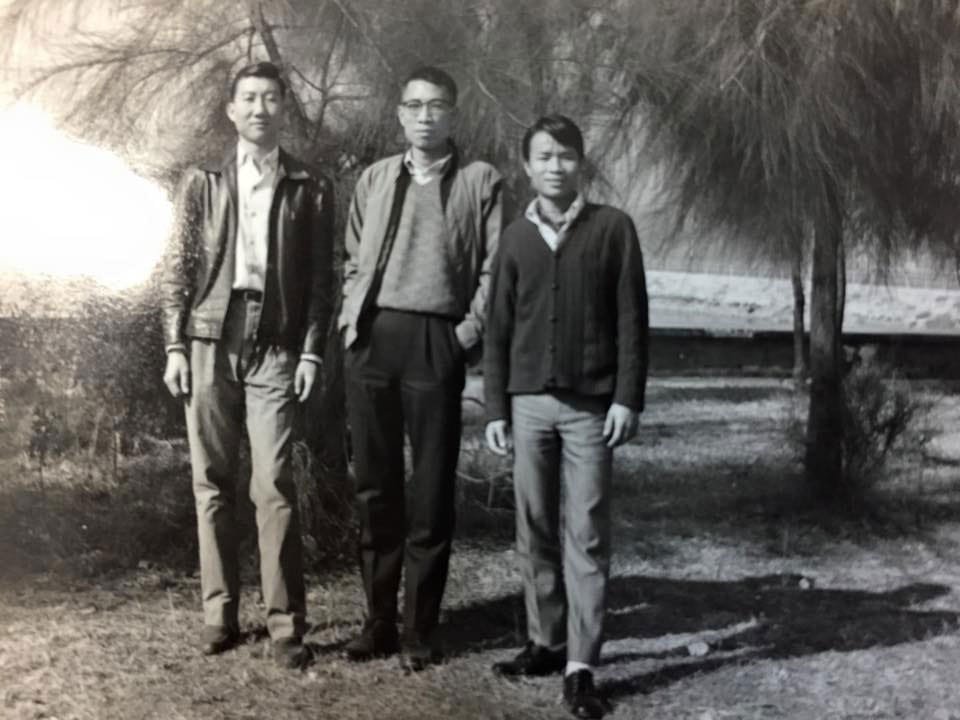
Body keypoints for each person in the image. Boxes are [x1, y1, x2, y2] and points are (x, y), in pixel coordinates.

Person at [161, 61, 334, 669]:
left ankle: (286, 624)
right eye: (249, 99)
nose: (259, 108)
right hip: (211, 336)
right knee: (212, 481)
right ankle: (220, 614)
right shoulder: (202, 181)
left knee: (275, 483)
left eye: (270, 98)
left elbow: (321, 280)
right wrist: (175, 346)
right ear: (231, 111)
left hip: (279, 343)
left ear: (283, 109)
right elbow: (177, 270)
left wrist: (312, 349)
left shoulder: (309, 185)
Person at [339, 65, 504, 671]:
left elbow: (493, 265)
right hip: (375, 340)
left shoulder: (481, 180)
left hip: (438, 339)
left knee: (431, 488)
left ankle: (420, 628)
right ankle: (378, 620)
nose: (425, 116)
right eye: (414, 105)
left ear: (452, 114)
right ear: (400, 115)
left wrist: (467, 332)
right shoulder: (377, 177)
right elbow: (354, 256)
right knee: (376, 485)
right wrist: (350, 322)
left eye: (437, 106)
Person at [484, 114, 648, 718]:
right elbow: (499, 331)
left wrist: (627, 397)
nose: (556, 166)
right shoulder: (514, 238)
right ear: (527, 167)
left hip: (589, 409)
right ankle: (546, 641)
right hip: (527, 406)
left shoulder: (613, 229)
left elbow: (632, 320)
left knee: (587, 528)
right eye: (544, 156)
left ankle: (582, 664)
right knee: (533, 526)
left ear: (583, 164)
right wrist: (497, 406)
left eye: (566, 156)